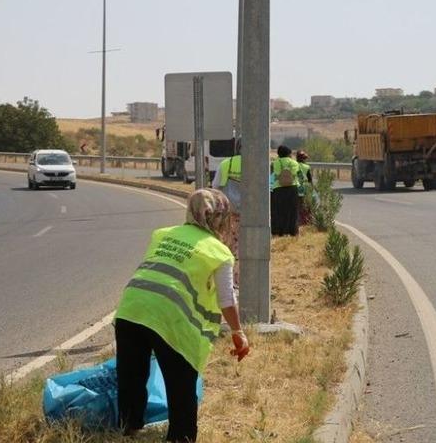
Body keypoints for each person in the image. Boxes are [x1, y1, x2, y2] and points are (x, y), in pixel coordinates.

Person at [115, 189, 250, 443]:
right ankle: (181, 438)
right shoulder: (219, 252)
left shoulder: (164, 234)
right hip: (170, 319)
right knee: (181, 385)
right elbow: (226, 298)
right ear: (220, 217)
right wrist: (238, 332)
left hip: (130, 309)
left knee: (131, 377)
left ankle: (128, 429)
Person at [211, 140, 242, 285]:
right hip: (251, 215)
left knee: (227, 248)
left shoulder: (226, 164)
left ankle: (229, 281)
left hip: (229, 214)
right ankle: (241, 279)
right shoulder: (258, 163)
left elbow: (215, 187)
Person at [271, 145, 301, 236]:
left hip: (278, 188)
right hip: (292, 188)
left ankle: (279, 231)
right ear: (289, 153)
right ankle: (292, 231)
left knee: (279, 210)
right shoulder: (294, 163)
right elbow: (295, 174)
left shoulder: (276, 163)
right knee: (292, 210)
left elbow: (276, 174)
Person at [295, 150, 313, 225]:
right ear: (304, 159)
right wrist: (312, 189)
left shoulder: (293, 165)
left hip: (296, 187)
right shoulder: (307, 167)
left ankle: (298, 221)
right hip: (305, 188)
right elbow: (310, 180)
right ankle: (306, 221)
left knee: (297, 205)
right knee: (306, 205)